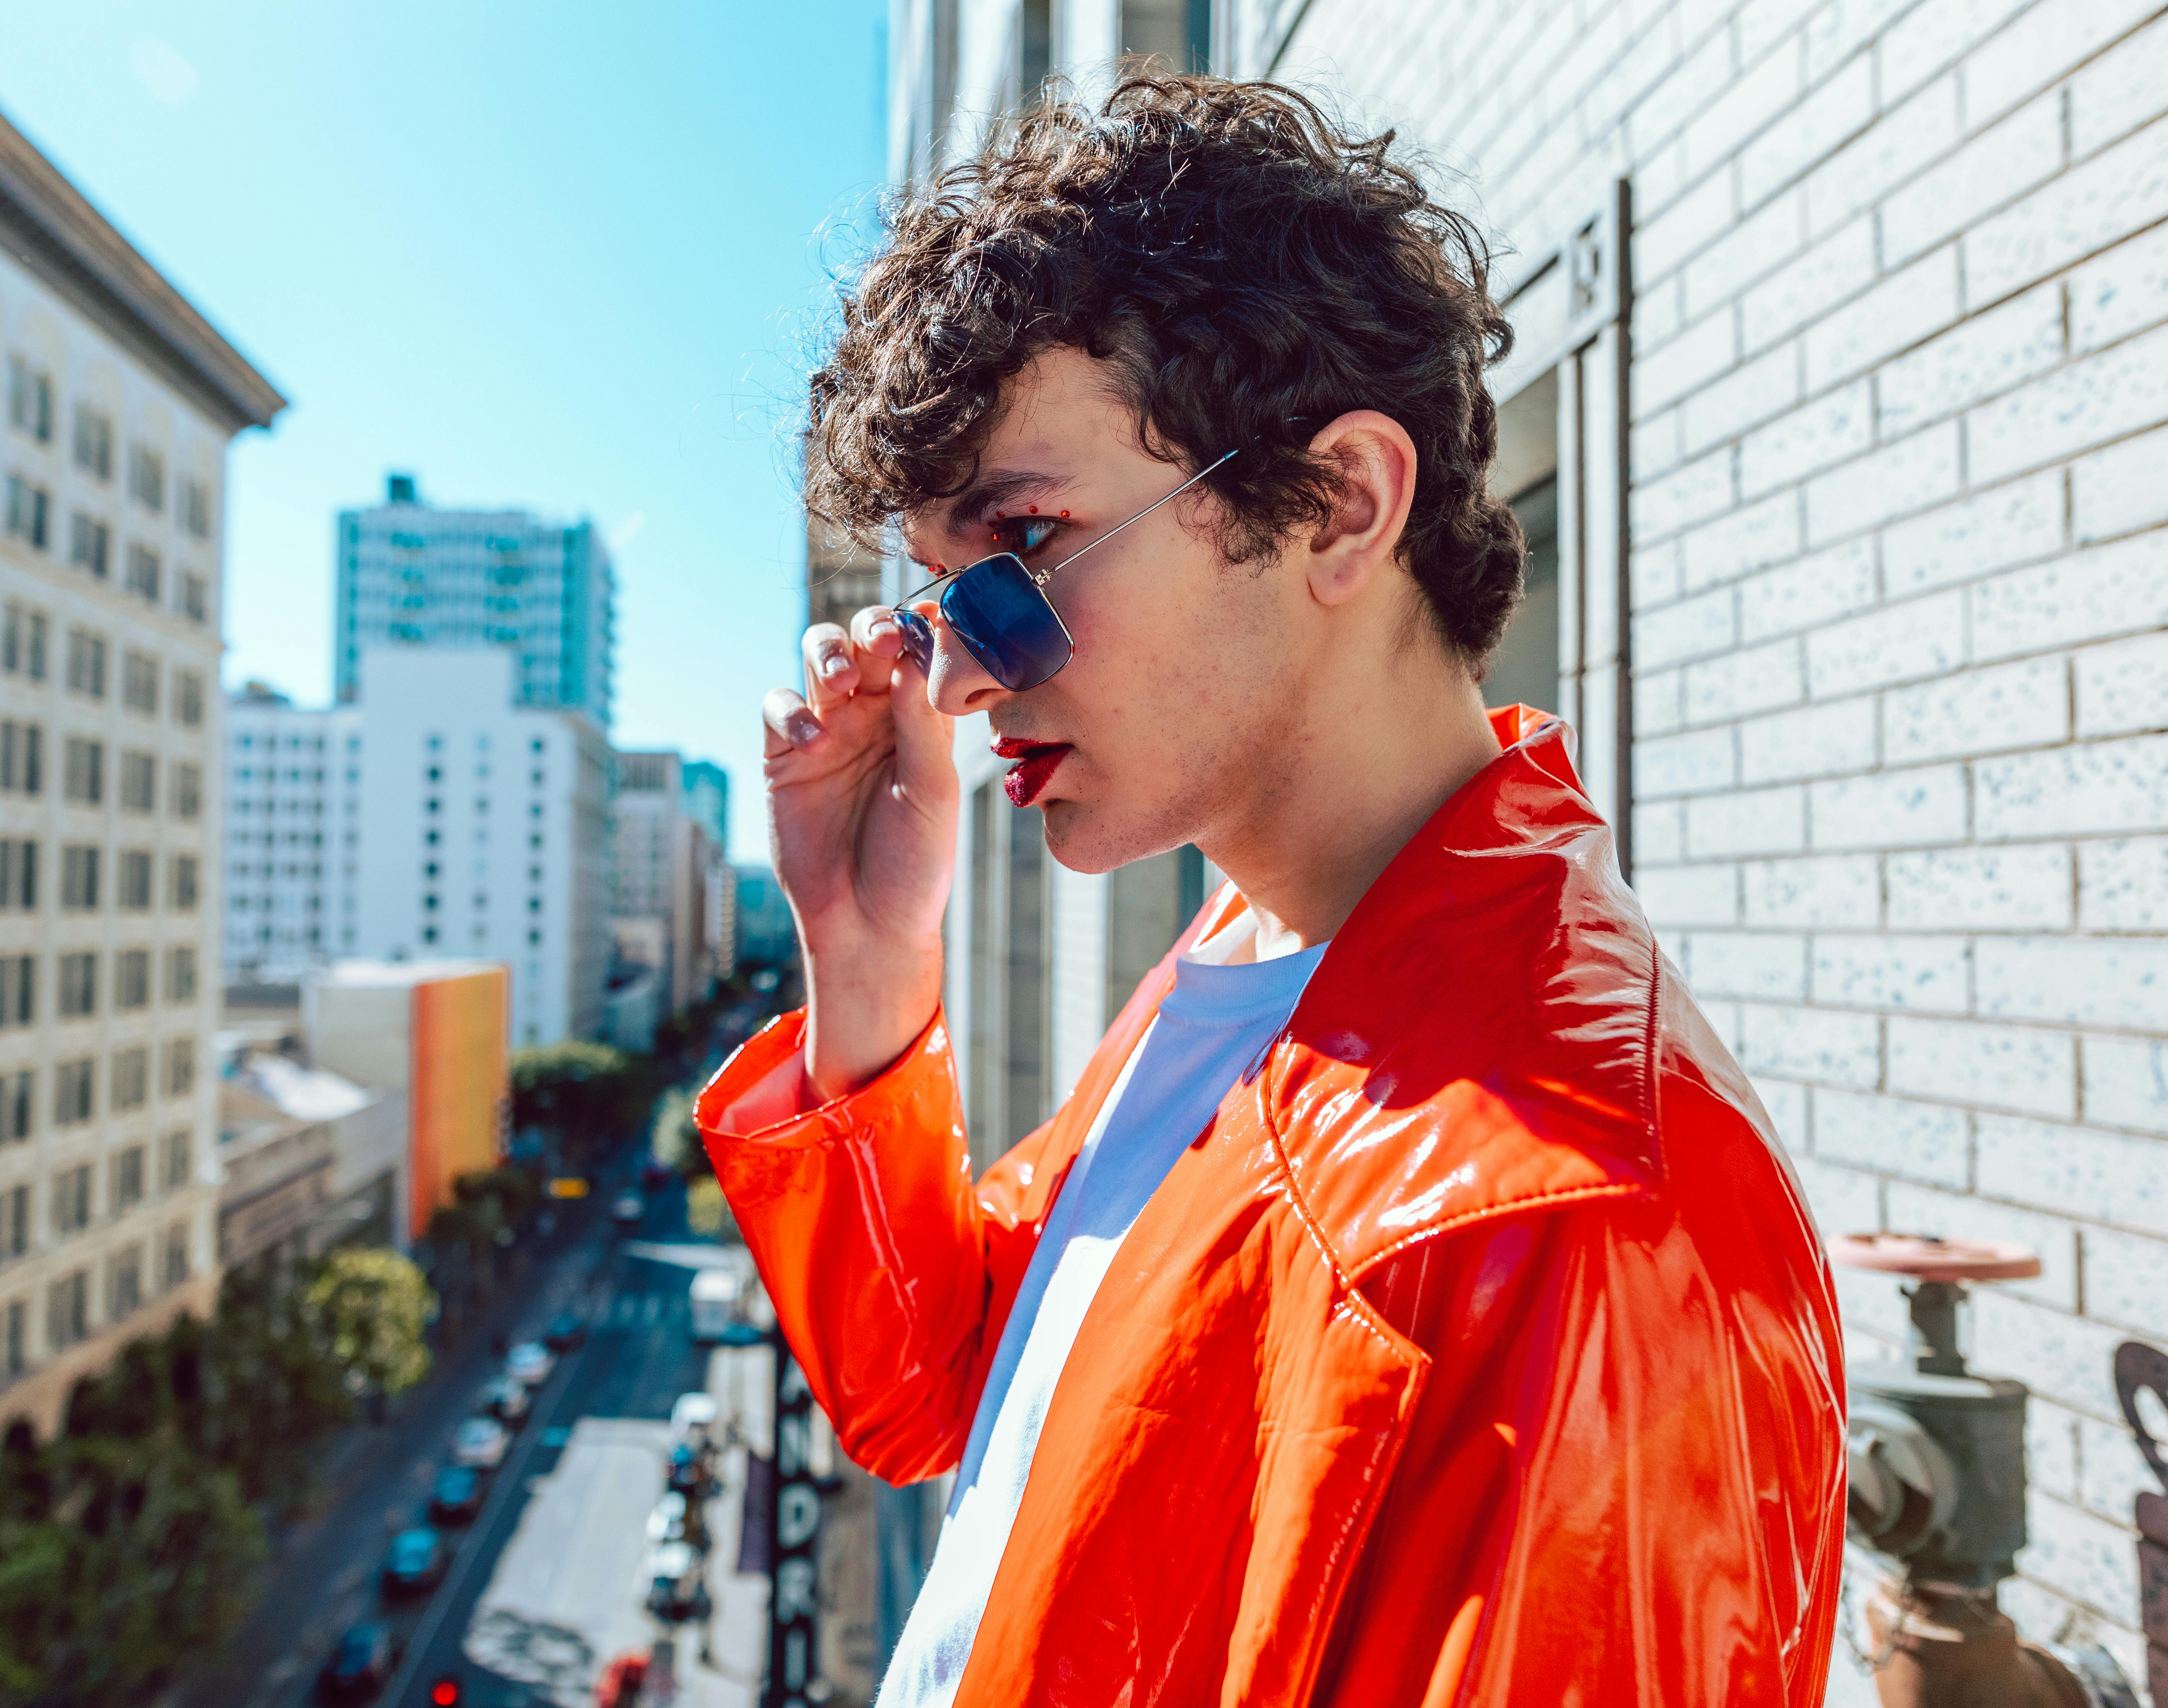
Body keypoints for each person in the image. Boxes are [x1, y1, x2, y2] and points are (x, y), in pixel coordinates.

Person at [697, 76, 1845, 1706]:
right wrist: (869, 967)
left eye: (1022, 553)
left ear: (1343, 506)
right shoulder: (1253, 959)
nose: (956, 683)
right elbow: (948, 1389)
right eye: (944, 608)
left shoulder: (1572, 1217)